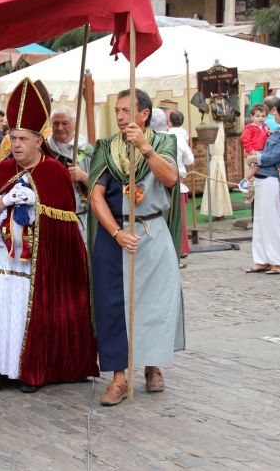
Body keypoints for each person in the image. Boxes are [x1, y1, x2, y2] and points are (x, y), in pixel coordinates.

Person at [0, 78, 99, 393]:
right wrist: (2, 202)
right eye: (12, 137)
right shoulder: (0, 171)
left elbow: (65, 234)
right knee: (0, 310)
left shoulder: (56, 174)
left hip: (36, 265)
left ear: (37, 139)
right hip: (2, 259)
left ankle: (27, 369)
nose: (15, 144)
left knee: (25, 313)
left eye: (22, 139)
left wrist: (38, 207)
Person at [88, 88, 184, 406]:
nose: (119, 116)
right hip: (116, 234)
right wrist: (116, 232)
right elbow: (96, 195)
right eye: (117, 110)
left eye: (127, 110)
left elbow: (170, 179)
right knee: (113, 305)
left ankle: (153, 366)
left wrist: (144, 148)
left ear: (144, 114)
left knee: (154, 303)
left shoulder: (164, 142)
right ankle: (117, 377)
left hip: (152, 231)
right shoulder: (105, 147)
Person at [244, 96, 280, 275]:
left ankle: (279, 260)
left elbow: (274, 156)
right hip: (262, 176)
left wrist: (255, 158)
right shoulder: (278, 131)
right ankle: (262, 259)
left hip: (272, 177)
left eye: (275, 111)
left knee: (273, 221)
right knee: (260, 221)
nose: (273, 114)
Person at [47, 106, 95, 241]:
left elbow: (102, 184)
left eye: (65, 123)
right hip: (52, 220)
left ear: (75, 125)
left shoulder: (88, 151)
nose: (60, 127)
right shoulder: (44, 151)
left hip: (80, 220)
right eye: (56, 123)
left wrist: (82, 176)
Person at [167, 110, 195, 259]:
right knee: (179, 219)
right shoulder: (181, 138)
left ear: (169, 122)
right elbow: (190, 160)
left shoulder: (167, 136)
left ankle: (173, 248)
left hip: (167, 180)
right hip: (177, 178)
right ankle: (181, 247)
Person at [238, 103, 270, 192]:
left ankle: (253, 184)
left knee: (258, 169)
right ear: (252, 117)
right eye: (258, 116)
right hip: (254, 151)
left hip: (262, 152)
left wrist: (270, 132)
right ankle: (244, 182)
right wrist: (251, 150)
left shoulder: (265, 127)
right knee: (254, 168)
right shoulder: (250, 127)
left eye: (263, 116)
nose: (261, 118)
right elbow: (245, 139)